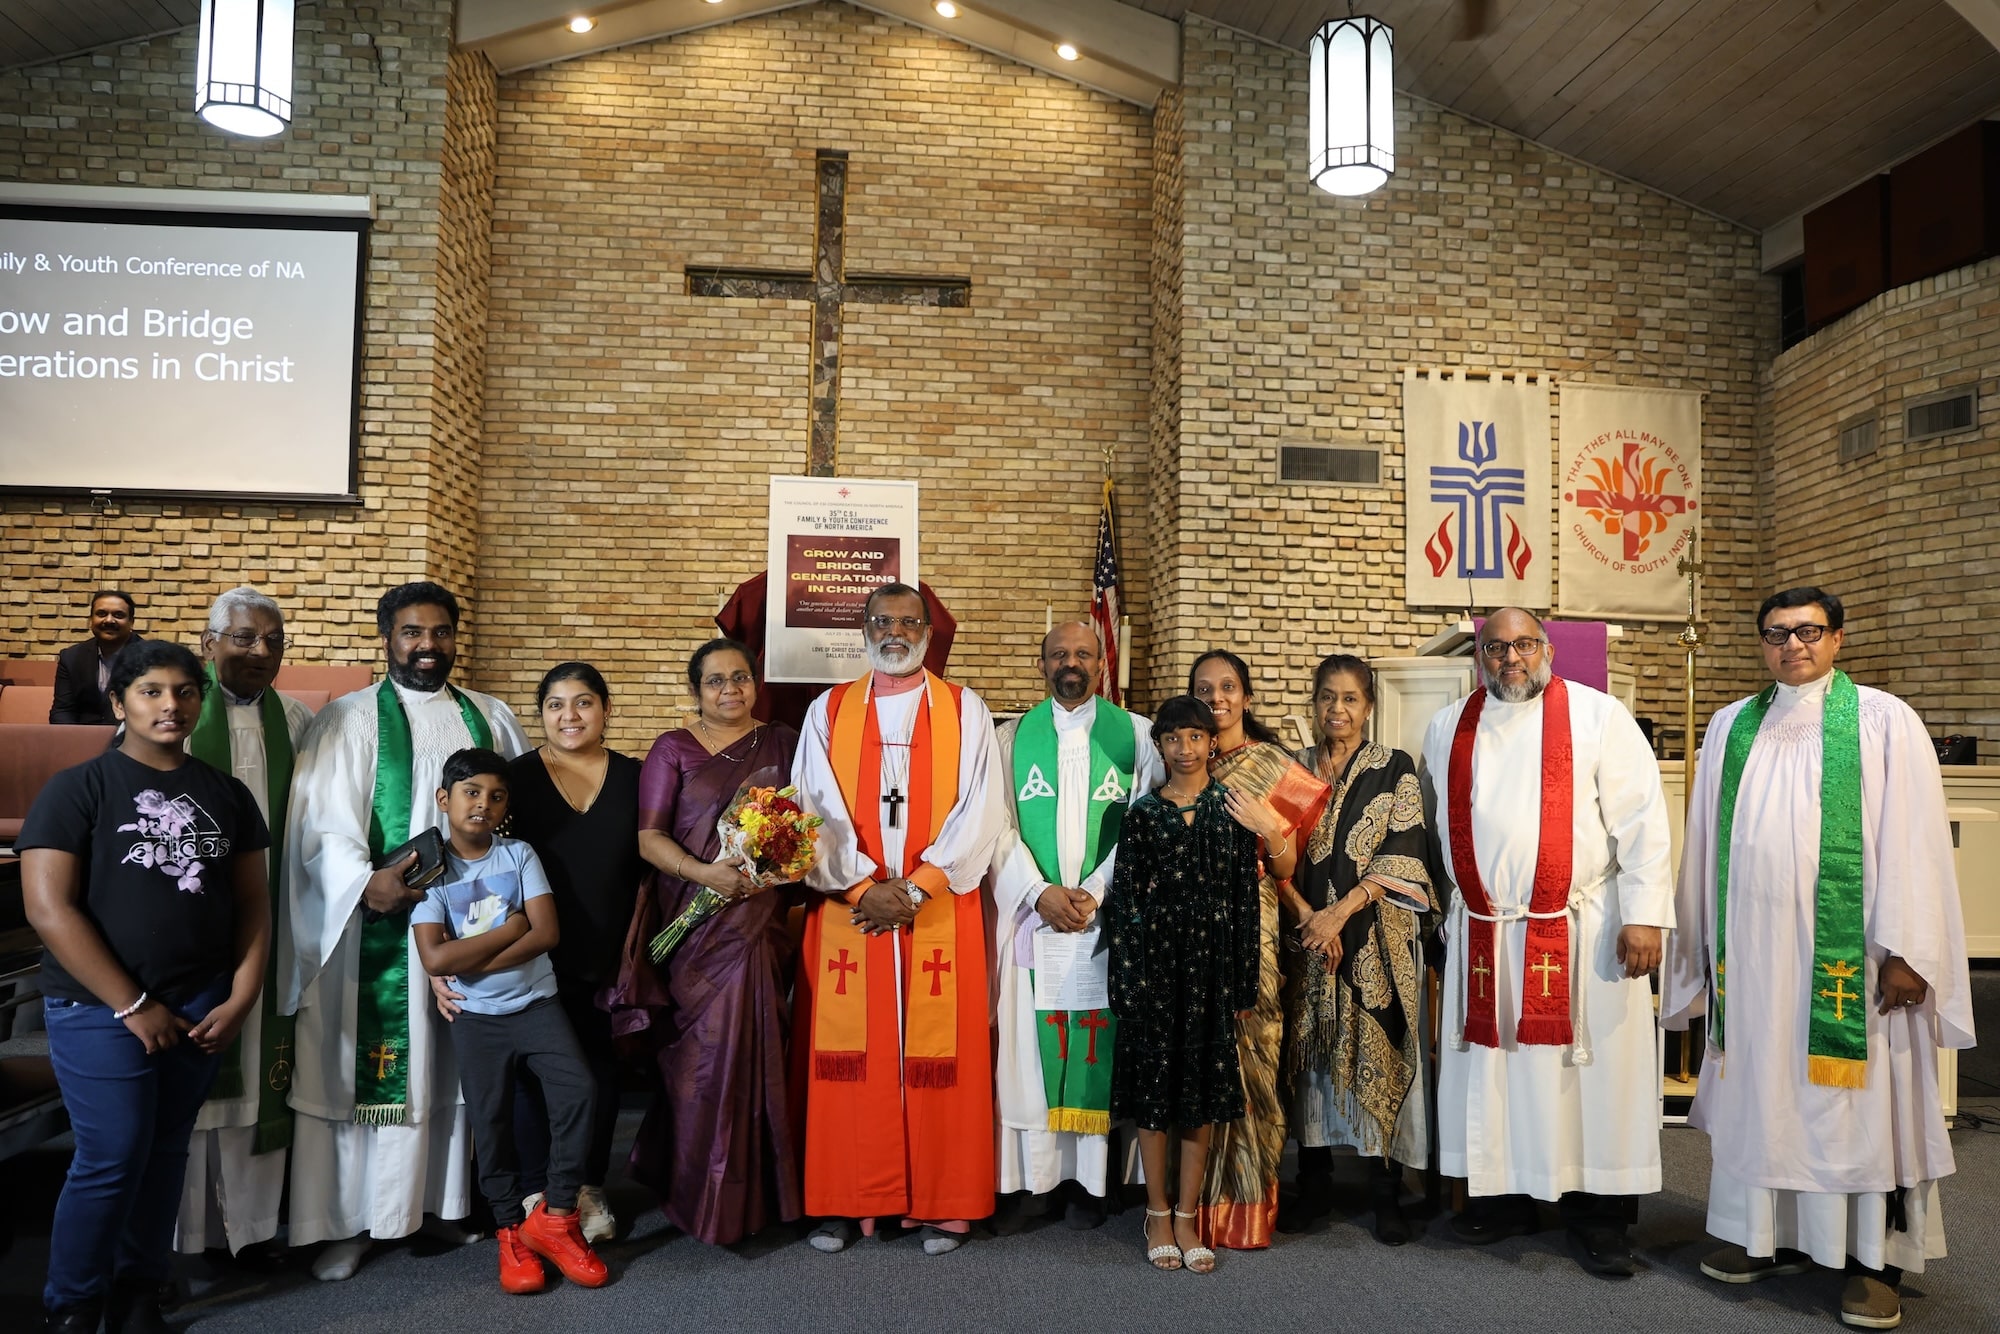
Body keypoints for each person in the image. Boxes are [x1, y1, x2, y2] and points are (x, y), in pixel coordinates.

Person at [1664, 588, 1974, 1331]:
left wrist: (1909, 951)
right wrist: (1701, 946)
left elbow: (1917, 841)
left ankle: (1873, 1261)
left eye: (1808, 631)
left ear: (1837, 638)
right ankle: (1765, 1238)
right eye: (1776, 633)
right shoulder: (1732, 724)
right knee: (1763, 1100)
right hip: (1757, 966)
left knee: (1856, 1112)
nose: (1792, 645)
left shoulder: (1882, 720)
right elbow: (1705, 842)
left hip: (1853, 963)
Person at [279, 582, 531, 1281]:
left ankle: (436, 1210)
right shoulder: (349, 719)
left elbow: (520, 818)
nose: (428, 646)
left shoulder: (491, 717)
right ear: (387, 636)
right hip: (377, 934)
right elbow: (318, 824)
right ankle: (353, 1222)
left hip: (468, 933)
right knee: (380, 1070)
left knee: (450, 1071)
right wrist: (367, 882)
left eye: (441, 632)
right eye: (413, 633)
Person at [20, 640, 272, 1334]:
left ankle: (139, 1289)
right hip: (101, 1006)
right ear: (119, 702)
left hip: (200, 1006)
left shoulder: (226, 794)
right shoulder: (79, 788)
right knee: (112, 1154)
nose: (172, 704)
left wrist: (241, 995)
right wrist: (133, 1005)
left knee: (165, 1154)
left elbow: (254, 906)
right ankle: (74, 1302)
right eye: (152, 691)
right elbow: (49, 909)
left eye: (186, 691)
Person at [1421, 607, 1673, 1278]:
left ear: (1548, 649)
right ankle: (1505, 1202)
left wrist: (1645, 914)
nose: (1511, 658)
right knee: (1498, 1074)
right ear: (1480, 656)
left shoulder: (1599, 717)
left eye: (1523, 645)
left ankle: (1601, 1218)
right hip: (1489, 933)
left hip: (1581, 930)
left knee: (1587, 1083)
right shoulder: (1449, 726)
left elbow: (1644, 820)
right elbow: (1447, 827)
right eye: (1496, 648)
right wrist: (1458, 907)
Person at [791, 583, 1006, 1256]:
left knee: (940, 1057)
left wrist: (916, 887)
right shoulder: (827, 710)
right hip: (850, 912)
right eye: (882, 621)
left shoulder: (964, 708)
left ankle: (941, 1203)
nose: (895, 631)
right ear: (864, 627)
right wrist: (860, 888)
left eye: (909, 621)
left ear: (928, 631)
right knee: (843, 1062)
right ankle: (845, 1198)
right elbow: (811, 808)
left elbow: (983, 808)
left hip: (936, 907)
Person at [605, 639, 804, 1246]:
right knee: (697, 1060)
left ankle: (758, 1193)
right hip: (692, 921)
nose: (729, 691)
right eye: (715, 681)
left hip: (758, 920)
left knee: (758, 1047)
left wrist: (780, 868)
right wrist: (707, 875)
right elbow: (649, 838)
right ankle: (691, 1186)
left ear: (755, 684)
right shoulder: (673, 749)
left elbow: (803, 824)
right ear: (696, 690)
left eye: (740, 679)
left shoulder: (783, 743)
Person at [412, 749, 609, 1294]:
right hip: (476, 1019)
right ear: (444, 800)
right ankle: (509, 1231)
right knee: (491, 1120)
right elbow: (434, 959)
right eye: (471, 792)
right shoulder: (428, 868)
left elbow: (545, 934)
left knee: (578, 1091)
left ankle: (558, 1215)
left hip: (537, 1005)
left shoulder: (518, 854)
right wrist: (509, 927)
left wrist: (469, 955)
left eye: (496, 796)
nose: (483, 804)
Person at [990, 621, 1160, 1230]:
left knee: (1095, 1043)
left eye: (1083, 653)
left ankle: (1094, 1184)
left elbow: (1147, 820)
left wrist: (1092, 892)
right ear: (1042, 665)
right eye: (1059, 654)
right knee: (1032, 1059)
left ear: (1101, 663)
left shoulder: (1136, 736)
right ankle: (1036, 1184)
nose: (1072, 663)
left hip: (1102, 925)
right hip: (1035, 924)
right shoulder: (1010, 740)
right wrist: (1037, 894)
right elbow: (998, 826)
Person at [175, 588, 316, 1264]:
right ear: (208, 645)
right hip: (191, 925)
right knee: (195, 1073)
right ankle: (186, 1239)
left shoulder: (297, 720)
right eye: (243, 638)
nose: (260, 652)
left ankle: (254, 1233)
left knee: (264, 1065)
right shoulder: (171, 717)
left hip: (274, 919)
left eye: (272, 641)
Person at [1279, 653, 1438, 1245]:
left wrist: (1339, 915)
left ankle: (1384, 1189)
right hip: (1307, 942)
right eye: (1327, 697)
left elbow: (1403, 852)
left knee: (1377, 1050)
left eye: (1350, 698)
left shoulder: (1392, 767)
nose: (1337, 709)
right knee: (1311, 1059)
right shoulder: (1295, 771)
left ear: (1369, 707)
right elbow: (1276, 856)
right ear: (1314, 703)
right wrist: (1307, 918)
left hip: (1373, 936)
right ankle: (1313, 1182)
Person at [482, 663, 642, 1245]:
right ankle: (534, 1189)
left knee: (597, 1072)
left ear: (605, 709)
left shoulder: (635, 777)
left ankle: (586, 1185)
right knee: (532, 1071)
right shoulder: (516, 779)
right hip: (531, 951)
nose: (569, 716)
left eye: (583, 703)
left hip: (609, 951)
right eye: (555, 704)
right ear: (540, 712)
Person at [1105, 695, 1262, 1274]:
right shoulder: (1142, 816)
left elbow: (1247, 902)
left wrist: (1243, 981)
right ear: (1160, 746)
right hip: (1155, 972)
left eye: (1196, 737)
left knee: (1198, 1097)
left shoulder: (1233, 809)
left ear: (1211, 742)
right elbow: (1123, 902)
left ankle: (1190, 1214)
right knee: (1154, 1094)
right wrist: (1126, 975)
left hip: (1213, 973)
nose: (1186, 748)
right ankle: (1157, 1210)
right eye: (1173, 738)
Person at [1186, 649, 1314, 1251]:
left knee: (1254, 1060)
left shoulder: (1273, 767)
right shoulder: (1180, 760)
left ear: (1247, 697)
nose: (1218, 698)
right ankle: (1191, 1206)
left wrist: (1268, 823)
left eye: (1229, 687)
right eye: (1206, 688)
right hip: (1189, 934)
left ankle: (1247, 1208)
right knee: (1196, 1059)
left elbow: (1287, 867)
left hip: (1253, 929)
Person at [51, 589, 143, 725]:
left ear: (131, 622)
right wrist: (70, 741)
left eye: (118, 615)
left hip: (132, 739)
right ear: (91, 620)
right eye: (101, 614)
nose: (109, 620)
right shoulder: (71, 657)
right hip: (82, 739)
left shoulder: (151, 657)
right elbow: (63, 711)